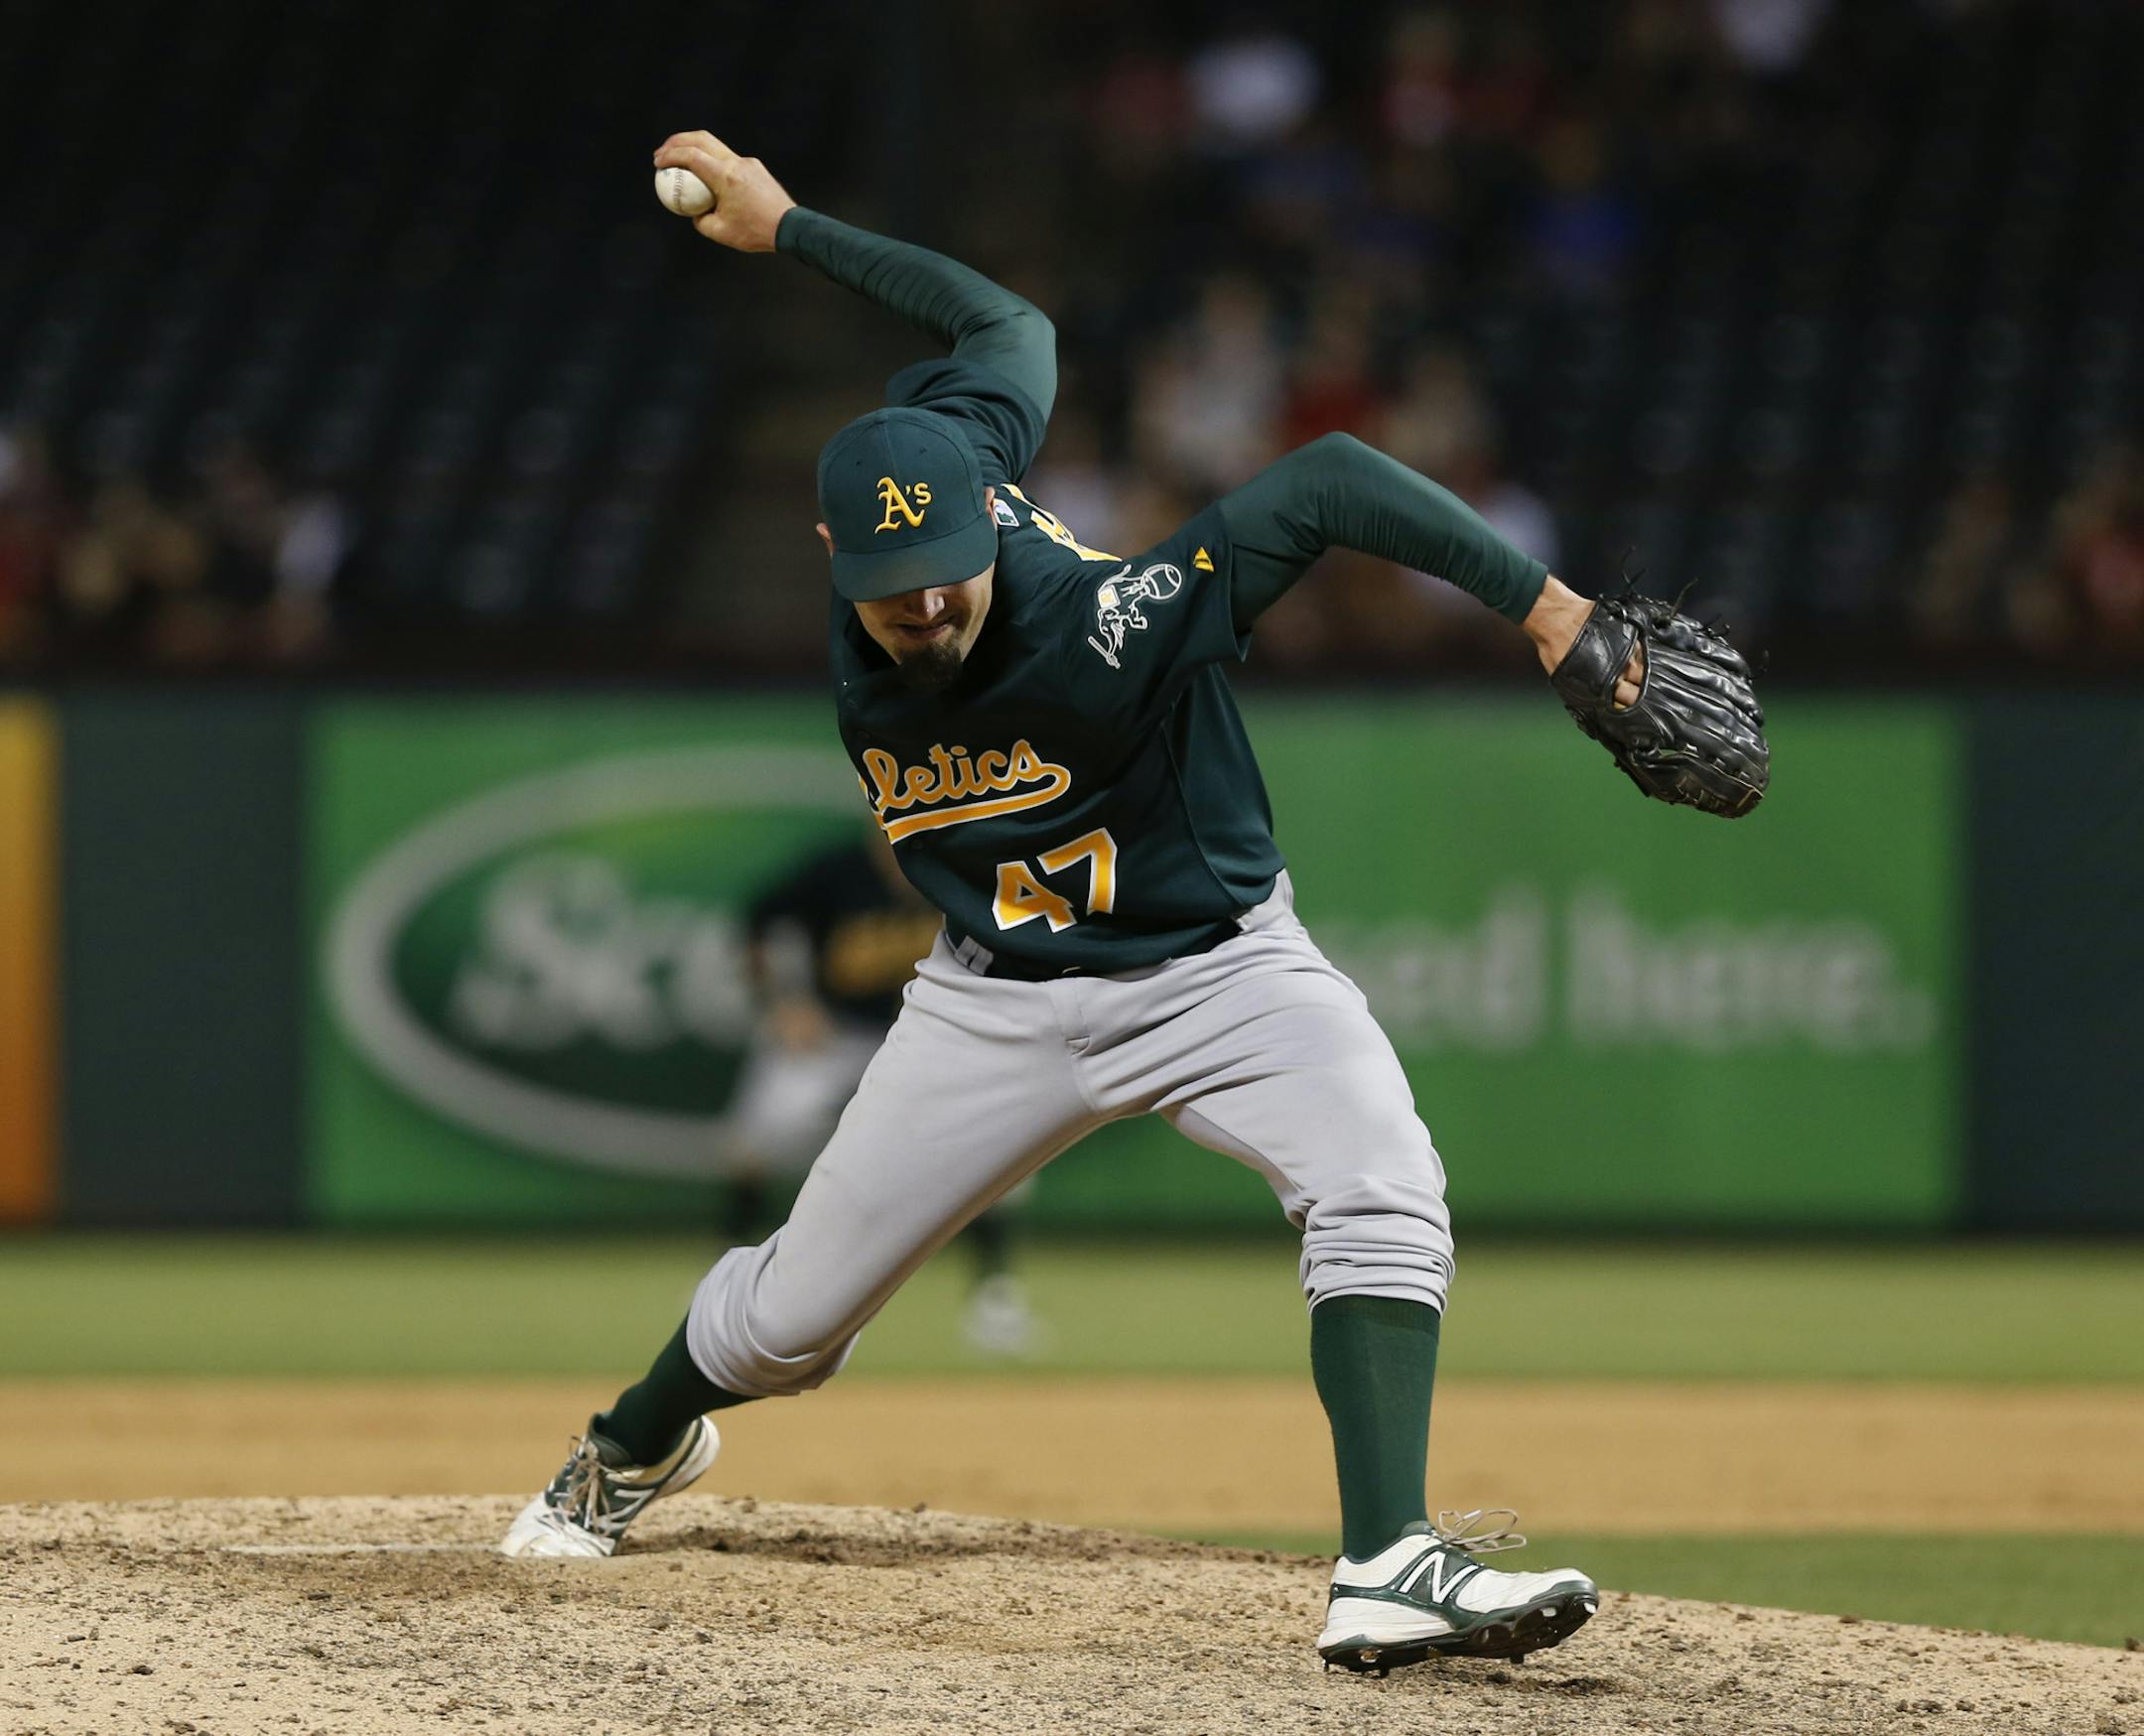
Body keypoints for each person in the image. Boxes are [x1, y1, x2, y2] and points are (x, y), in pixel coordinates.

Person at [501, 129, 1643, 1676]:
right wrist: (792, 228)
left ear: (987, 509)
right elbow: (1007, 326)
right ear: (830, 546)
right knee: (784, 1328)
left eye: (948, 562)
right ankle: (631, 1445)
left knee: (1383, 1182)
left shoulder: (1105, 625)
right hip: (992, 1000)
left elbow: (1329, 481)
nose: (926, 598)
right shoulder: (931, 465)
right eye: (891, 575)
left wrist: (1551, 611)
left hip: (1219, 969)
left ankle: (1388, 1562)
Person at [724, 826, 1041, 1355]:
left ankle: (994, 1293)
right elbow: (759, 920)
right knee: (760, 1135)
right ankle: (726, 1275)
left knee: (1003, 1152)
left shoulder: (961, 867)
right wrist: (782, 1004)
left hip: (935, 1033)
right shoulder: (838, 870)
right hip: (839, 1035)